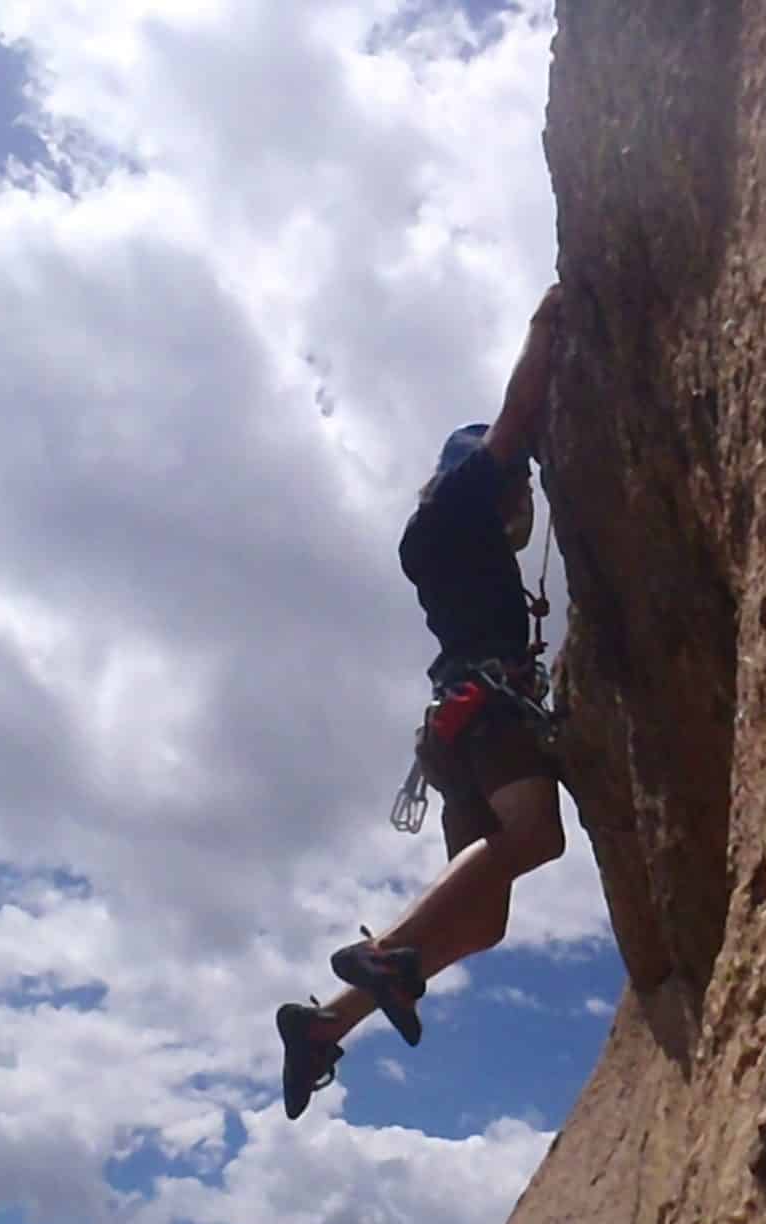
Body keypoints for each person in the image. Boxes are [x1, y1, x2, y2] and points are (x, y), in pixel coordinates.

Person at [276, 284, 568, 1119]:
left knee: (483, 919)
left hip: (456, 723)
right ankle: (389, 958)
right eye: (519, 493)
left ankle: (324, 1026)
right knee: (534, 836)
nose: (523, 508)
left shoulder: (441, 534)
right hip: (488, 707)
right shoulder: (465, 491)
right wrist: (545, 326)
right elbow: (515, 420)